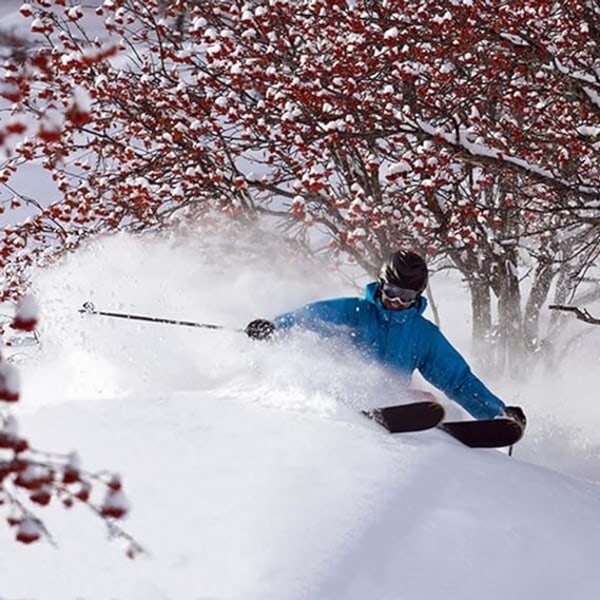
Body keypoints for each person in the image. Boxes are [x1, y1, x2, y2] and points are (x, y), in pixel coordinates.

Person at [245, 250, 525, 426]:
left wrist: (496, 412)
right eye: (391, 291)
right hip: (344, 394)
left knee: (431, 404)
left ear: (417, 296)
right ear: (380, 284)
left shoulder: (423, 335)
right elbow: (310, 317)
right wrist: (275, 327)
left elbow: (458, 379)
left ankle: (435, 428)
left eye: (406, 296)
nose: (396, 301)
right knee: (344, 381)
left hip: (392, 402)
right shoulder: (355, 310)